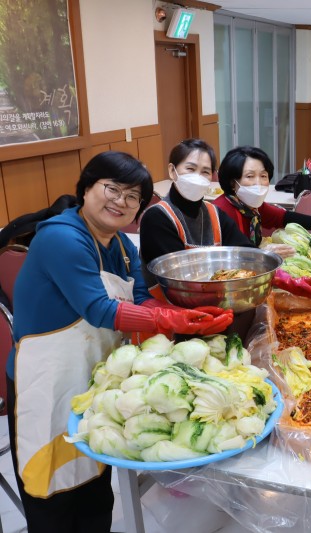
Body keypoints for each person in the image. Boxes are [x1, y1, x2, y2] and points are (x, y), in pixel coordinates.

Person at [6, 151, 233, 533]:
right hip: (44, 380)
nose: (120, 201)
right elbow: (99, 309)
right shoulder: (61, 237)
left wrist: (190, 313)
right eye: (112, 188)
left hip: (93, 375)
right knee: (52, 487)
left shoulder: (123, 249)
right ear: (86, 188)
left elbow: (141, 299)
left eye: (133, 197)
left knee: (95, 479)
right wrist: (170, 318)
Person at [139, 139, 311, 300]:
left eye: (205, 172)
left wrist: (287, 281)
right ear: (173, 171)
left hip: (217, 304)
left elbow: (247, 255)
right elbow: (177, 282)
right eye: (190, 169)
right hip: (172, 315)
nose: (198, 177)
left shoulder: (214, 214)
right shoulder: (158, 217)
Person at [213, 145, 311, 251]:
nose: (258, 182)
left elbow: (283, 217)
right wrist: (263, 254)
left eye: (263, 176)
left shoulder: (252, 208)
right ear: (232, 182)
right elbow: (229, 254)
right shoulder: (219, 211)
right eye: (250, 176)